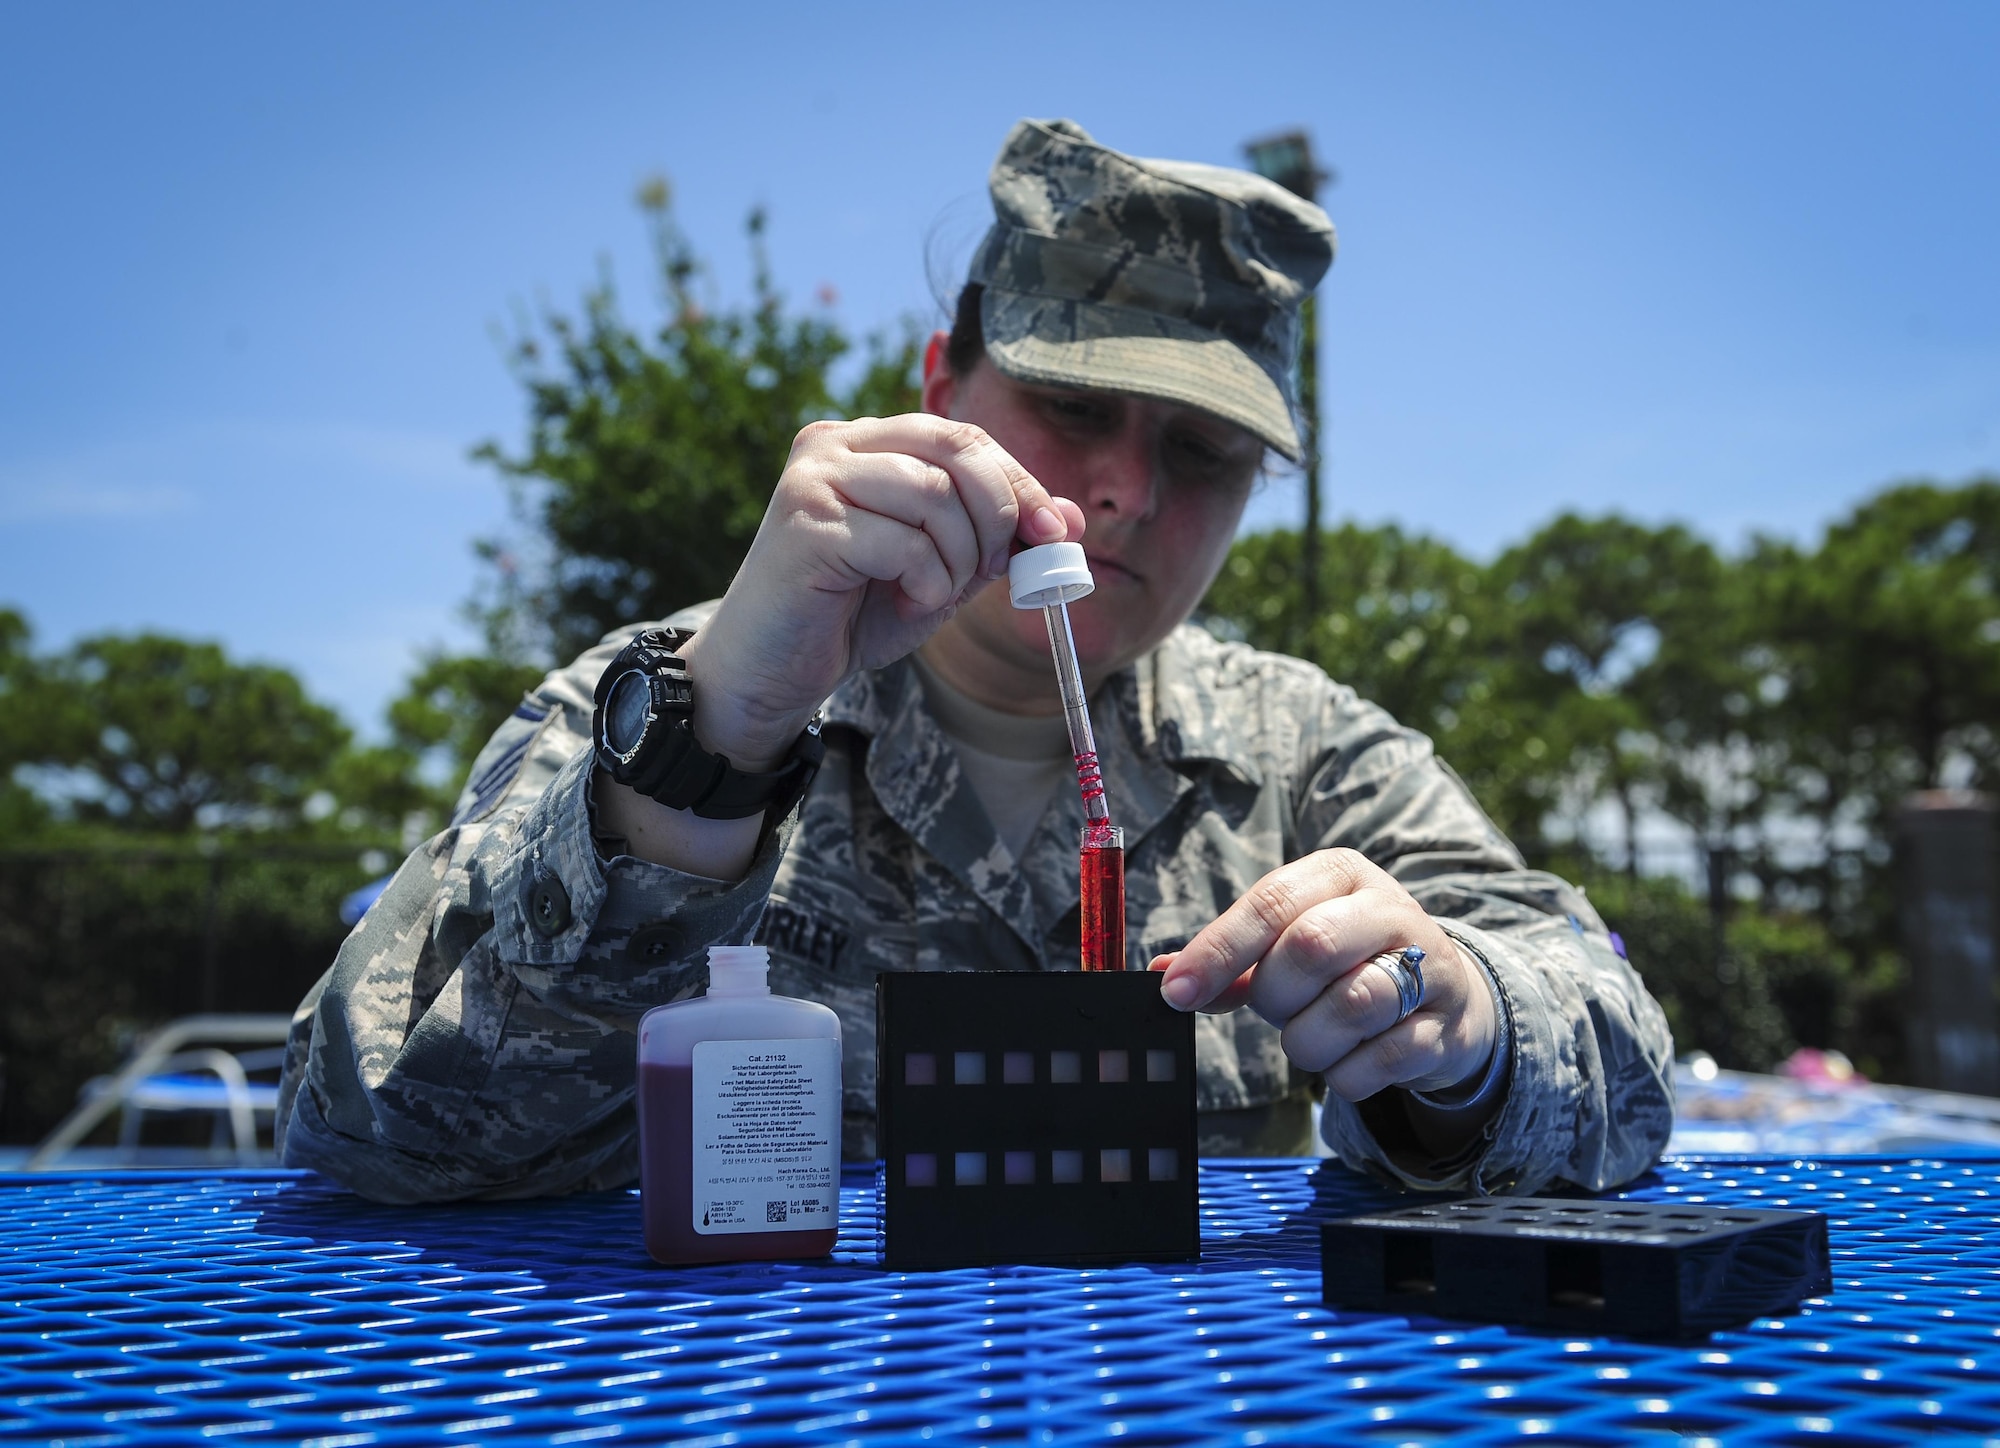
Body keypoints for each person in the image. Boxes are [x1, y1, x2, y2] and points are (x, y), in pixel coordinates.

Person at [275, 118, 1674, 1203]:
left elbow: (1613, 1046)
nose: (1125, 488)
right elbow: (366, 1131)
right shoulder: (663, 710)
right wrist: (715, 752)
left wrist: (1464, 1025)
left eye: (1204, 451)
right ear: (943, 384)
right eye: (1072, 404)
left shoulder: (1304, 757)